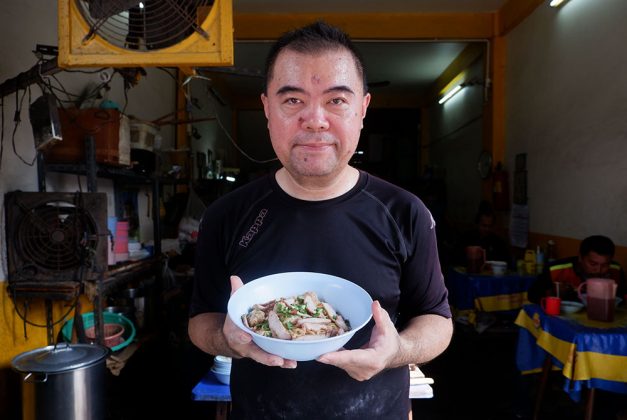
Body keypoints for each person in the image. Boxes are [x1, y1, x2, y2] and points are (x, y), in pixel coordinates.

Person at [188, 21, 453, 419]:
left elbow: (437, 320)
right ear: (266, 108)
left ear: (362, 109)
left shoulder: (405, 211)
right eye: (293, 100)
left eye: (336, 100)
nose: (315, 120)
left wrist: (396, 351)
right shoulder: (226, 215)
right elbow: (201, 322)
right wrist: (228, 340)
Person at [528, 235, 626, 303]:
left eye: (605, 265)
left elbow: (623, 297)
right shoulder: (556, 270)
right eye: (593, 264)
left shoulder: (615, 269)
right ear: (580, 257)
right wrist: (554, 292)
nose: (599, 270)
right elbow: (532, 296)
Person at [458, 200, 511, 265]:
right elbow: (457, 259)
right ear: (477, 224)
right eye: (484, 226)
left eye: (490, 226)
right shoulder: (466, 238)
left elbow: (506, 261)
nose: (487, 229)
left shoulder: (497, 242)